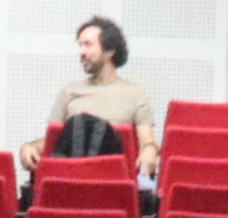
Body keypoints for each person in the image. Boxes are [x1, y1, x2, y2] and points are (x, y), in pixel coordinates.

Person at [37, 15, 154, 169]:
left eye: (88, 45)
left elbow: (147, 142)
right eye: (80, 45)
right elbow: (51, 141)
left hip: (112, 175)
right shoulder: (69, 91)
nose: (81, 52)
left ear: (109, 50)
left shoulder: (135, 93)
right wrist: (30, 147)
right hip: (69, 174)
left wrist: (149, 151)